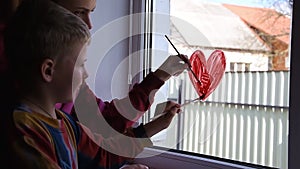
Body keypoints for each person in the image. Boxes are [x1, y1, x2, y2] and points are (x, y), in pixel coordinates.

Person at [4, 0, 185, 168]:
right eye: (78, 12)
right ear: (48, 70)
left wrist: (155, 125)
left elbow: (103, 150)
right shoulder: (23, 134)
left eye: (91, 12)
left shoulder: (65, 122)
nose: (89, 25)